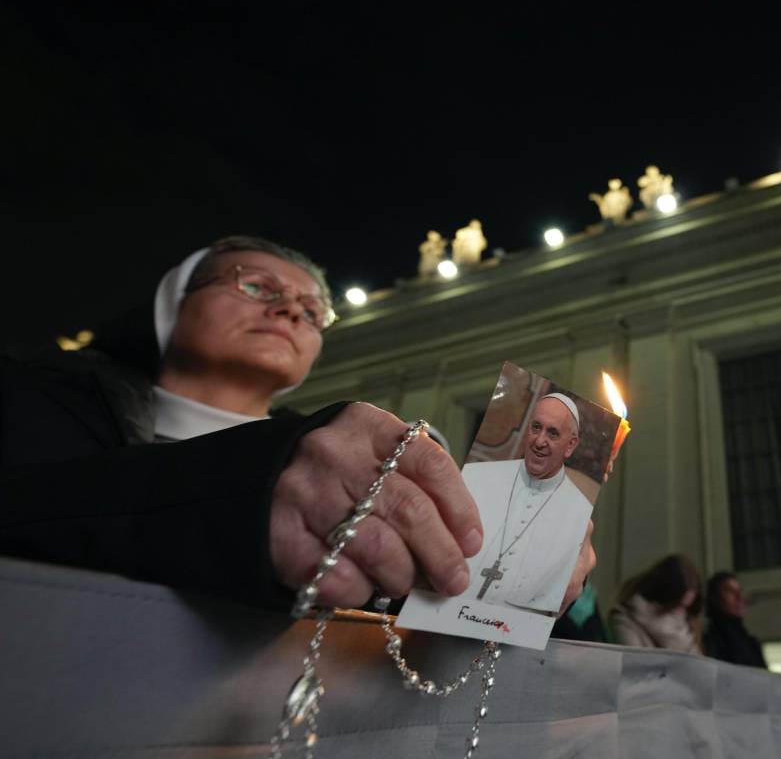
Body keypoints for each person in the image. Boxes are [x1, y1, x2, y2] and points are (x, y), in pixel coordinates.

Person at [0, 236, 595, 613]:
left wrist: (519, 588)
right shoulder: (32, 398)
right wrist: (251, 486)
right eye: (254, 286)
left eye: (313, 311)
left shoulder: (337, 448)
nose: (289, 309)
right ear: (172, 304)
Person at [462, 393, 594, 615]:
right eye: (536, 428)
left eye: (553, 433)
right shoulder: (477, 477)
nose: (539, 441)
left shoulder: (577, 511)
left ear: (570, 445)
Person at [610, 554, 703, 653]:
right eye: (678, 605)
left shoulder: (687, 627)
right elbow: (635, 660)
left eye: (686, 608)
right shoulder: (626, 621)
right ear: (662, 598)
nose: (682, 613)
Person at [701, 571, 766, 668]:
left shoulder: (751, 643)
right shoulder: (708, 641)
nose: (739, 597)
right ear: (714, 598)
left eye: (740, 591)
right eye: (730, 591)